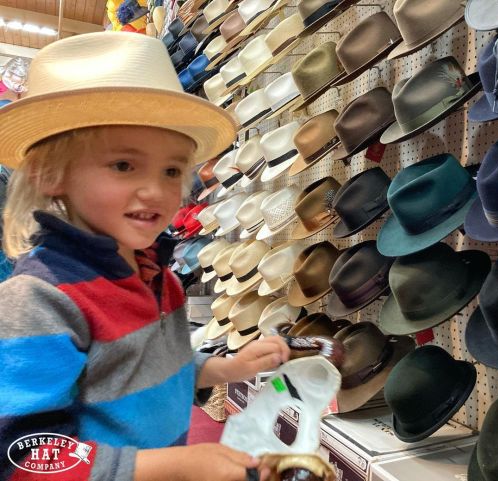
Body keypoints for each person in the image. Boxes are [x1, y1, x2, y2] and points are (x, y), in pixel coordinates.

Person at [0, 32, 289, 481]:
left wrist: (225, 367)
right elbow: (22, 454)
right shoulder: (38, 300)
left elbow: (144, 368)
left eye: (172, 170)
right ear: (50, 173)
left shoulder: (156, 274)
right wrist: (170, 467)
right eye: (123, 165)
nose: (157, 190)